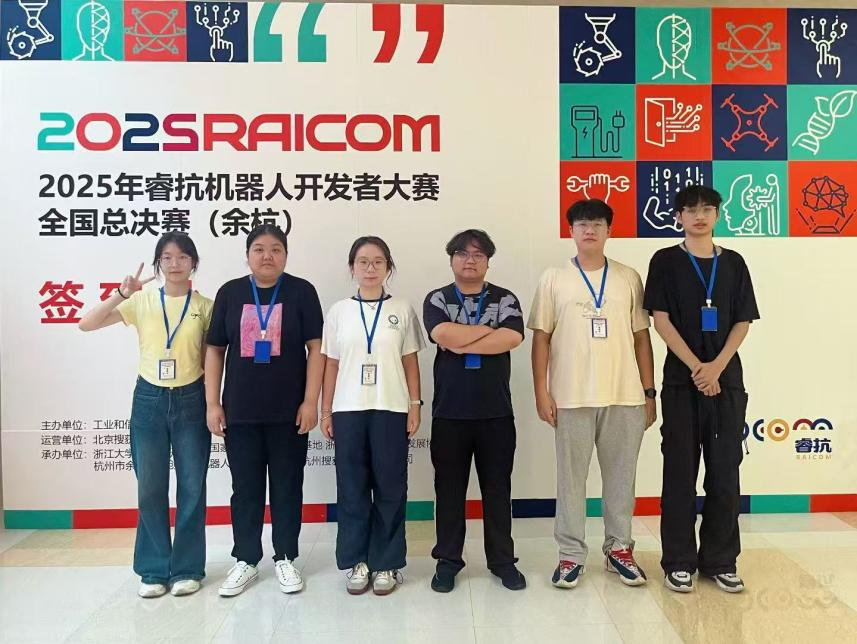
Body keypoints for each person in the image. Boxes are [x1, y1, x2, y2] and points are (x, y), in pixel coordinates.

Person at [528, 199, 657, 590]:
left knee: (621, 478)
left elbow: (641, 338)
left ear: (609, 231)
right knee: (571, 480)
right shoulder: (553, 278)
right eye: (582, 224)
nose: (589, 230)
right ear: (571, 231)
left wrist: (649, 392)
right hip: (570, 396)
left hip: (624, 395)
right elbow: (541, 338)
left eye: (598, 224)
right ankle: (571, 554)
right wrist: (541, 391)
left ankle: (619, 549)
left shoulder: (628, 277)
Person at [79, 232, 212, 599]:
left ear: (193, 263)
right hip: (149, 399)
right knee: (150, 488)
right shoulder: (141, 301)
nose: (175, 263)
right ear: (158, 264)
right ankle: (153, 570)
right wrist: (121, 294)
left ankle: (187, 568)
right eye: (167, 257)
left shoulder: (206, 306)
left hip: (191, 398)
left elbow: (213, 357)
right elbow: (86, 323)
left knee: (192, 487)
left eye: (182, 256)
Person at [644, 185, 759, 594]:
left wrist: (716, 367)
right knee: (679, 473)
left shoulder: (734, 263)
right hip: (682, 382)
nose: (699, 216)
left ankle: (720, 561)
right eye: (690, 210)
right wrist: (697, 368)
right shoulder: (665, 260)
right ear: (678, 217)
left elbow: (742, 321)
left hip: (726, 381)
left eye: (707, 209)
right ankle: (679, 561)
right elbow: (660, 320)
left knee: (725, 473)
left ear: (718, 215)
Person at [205, 224, 324, 597]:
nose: (267, 256)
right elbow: (215, 350)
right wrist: (212, 403)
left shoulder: (302, 292)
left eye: (275, 249)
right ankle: (246, 559)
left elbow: (317, 349)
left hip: (289, 413)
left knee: (288, 487)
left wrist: (310, 401)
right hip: (240, 412)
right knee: (245, 490)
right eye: (259, 249)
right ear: (248, 256)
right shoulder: (230, 293)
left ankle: (286, 557)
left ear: (286, 255)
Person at [320, 236, 425, 596]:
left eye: (378, 261)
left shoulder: (402, 308)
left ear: (388, 267)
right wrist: (326, 410)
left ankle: (387, 562)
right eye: (363, 261)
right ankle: (357, 561)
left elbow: (410, 361)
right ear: (352, 267)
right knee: (351, 488)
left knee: (391, 486)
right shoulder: (338, 312)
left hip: (391, 407)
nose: (370, 268)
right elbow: (331, 364)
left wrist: (415, 404)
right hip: (348, 409)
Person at [423, 229, 526, 593]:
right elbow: (442, 336)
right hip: (449, 413)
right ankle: (448, 562)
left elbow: (512, 337)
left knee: (497, 491)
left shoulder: (505, 298)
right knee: (449, 492)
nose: (470, 260)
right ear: (451, 259)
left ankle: (502, 561)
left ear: (488, 262)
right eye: (463, 254)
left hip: (495, 413)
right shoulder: (437, 298)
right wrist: (487, 331)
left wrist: (463, 337)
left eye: (478, 255)